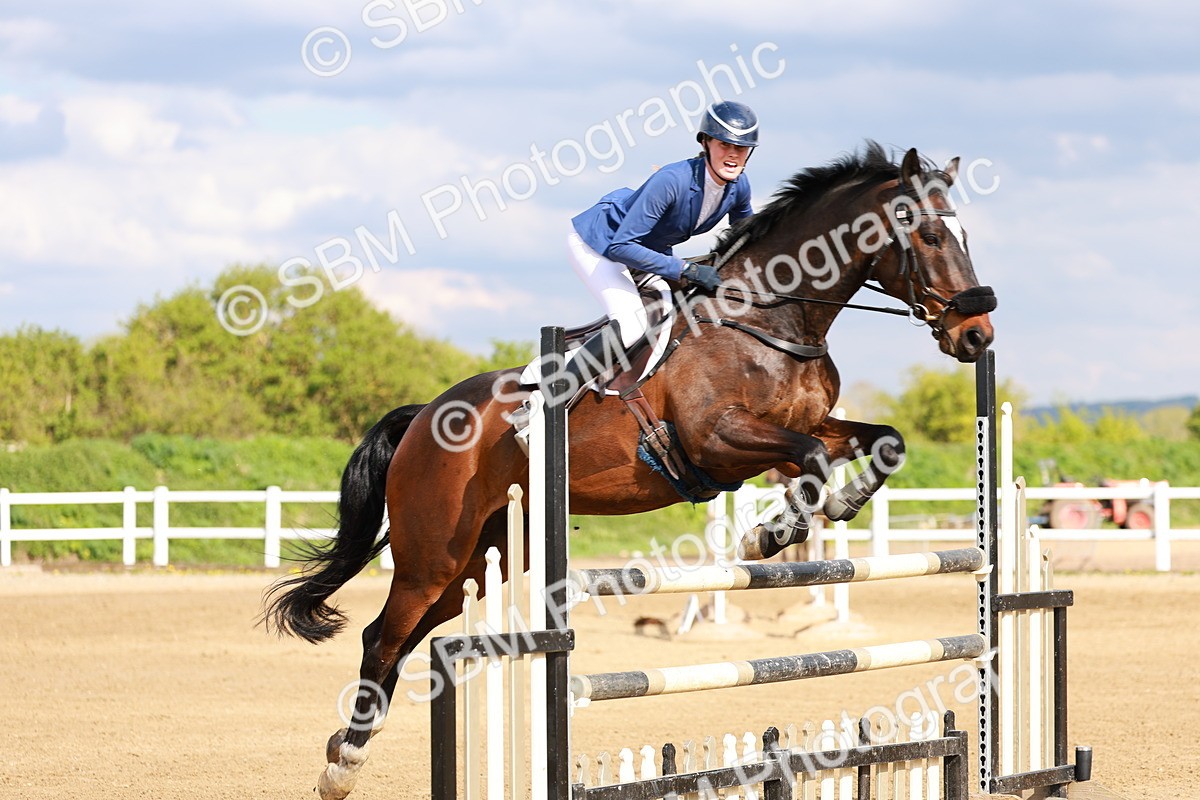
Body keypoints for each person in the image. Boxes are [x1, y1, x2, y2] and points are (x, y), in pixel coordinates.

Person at [520, 100, 759, 418]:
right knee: (632, 323)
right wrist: (685, 268)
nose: (733, 154)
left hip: (645, 251)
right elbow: (621, 246)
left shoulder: (739, 186)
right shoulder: (672, 180)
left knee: (677, 313)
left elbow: (746, 238)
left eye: (741, 148)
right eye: (724, 145)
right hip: (599, 244)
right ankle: (547, 400)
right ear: (705, 143)